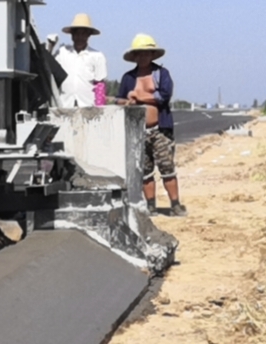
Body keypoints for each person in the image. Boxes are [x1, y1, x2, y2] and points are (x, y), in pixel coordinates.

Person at [116, 33, 185, 216]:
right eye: (140, 54)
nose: (143, 57)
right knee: (145, 171)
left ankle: (175, 203)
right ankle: (151, 205)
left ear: (152, 55)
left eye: (146, 53)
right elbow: (120, 100)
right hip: (139, 131)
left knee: (167, 167)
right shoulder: (128, 78)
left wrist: (139, 98)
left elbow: (164, 96)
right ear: (135, 56)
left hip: (159, 129)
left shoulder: (161, 74)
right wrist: (127, 102)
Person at [52, 13, 108, 108]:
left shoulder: (97, 56)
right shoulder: (62, 53)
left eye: (83, 34)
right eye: (77, 33)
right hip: (65, 105)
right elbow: (49, 71)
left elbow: (100, 85)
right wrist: (51, 46)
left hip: (88, 107)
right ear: (72, 35)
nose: (80, 37)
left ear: (88, 35)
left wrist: (99, 109)